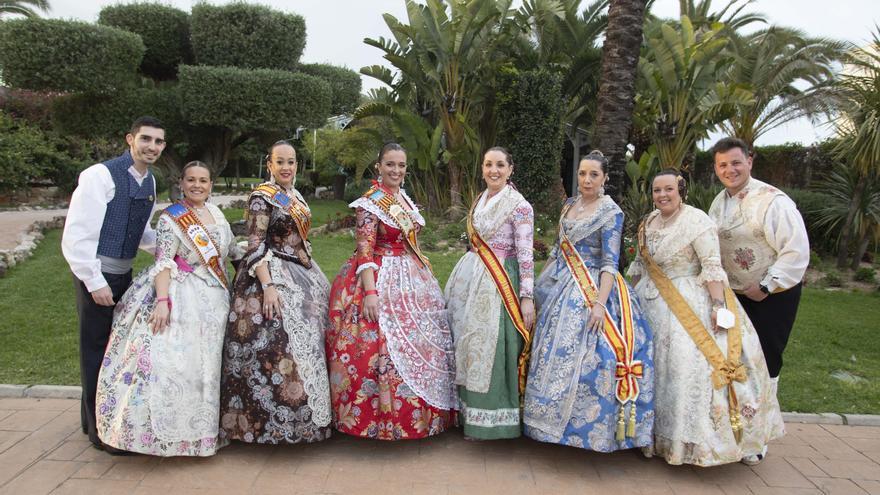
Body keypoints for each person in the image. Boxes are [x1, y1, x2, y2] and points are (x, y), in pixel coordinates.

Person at [628, 170, 784, 467]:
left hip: (692, 302)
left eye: (668, 189)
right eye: (657, 190)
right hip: (652, 305)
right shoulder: (648, 222)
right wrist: (626, 296)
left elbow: (712, 265)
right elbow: (639, 265)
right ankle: (658, 441)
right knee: (658, 368)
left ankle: (714, 443)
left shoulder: (697, 220)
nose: (662, 195)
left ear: (681, 190)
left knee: (688, 365)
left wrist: (717, 306)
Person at [96, 161, 238, 456]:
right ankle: (174, 435)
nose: (197, 185)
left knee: (208, 368)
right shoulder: (171, 218)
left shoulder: (217, 214)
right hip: (183, 294)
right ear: (181, 183)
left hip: (215, 299)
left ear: (211, 184)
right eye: (191, 180)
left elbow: (230, 250)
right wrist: (162, 302)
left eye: (203, 180)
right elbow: (163, 261)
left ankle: (205, 433)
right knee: (178, 365)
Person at [523, 151, 654, 452]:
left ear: (605, 178)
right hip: (561, 284)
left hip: (593, 286)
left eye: (594, 174)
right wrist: (539, 286)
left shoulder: (611, 212)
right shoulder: (569, 204)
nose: (586, 180)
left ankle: (580, 430)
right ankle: (544, 426)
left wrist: (598, 304)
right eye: (582, 174)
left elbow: (610, 263)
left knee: (590, 355)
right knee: (548, 351)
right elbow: (558, 251)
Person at [326, 143, 457, 440]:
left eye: (401, 165)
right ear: (379, 166)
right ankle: (380, 420)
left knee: (422, 341)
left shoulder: (403, 199)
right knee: (379, 343)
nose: (396, 171)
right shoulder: (370, 203)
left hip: (411, 276)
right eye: (390, 165)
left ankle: (425, 417)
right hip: (379, 276)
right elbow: (364, 250)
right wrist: (370, 293)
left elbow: (411, 240)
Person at [62, 116, 166, 452]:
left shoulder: (149, 182)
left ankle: (93, 419)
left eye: (158, 142)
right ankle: (99, 434)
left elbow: (142, 231)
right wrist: (94, 282)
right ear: (130, 139)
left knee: (114, 351)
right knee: (94, 349)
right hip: (97, 274)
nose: (152, 147)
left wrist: (171, 250)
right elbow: (77, 235)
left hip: (124, 274)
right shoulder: (100, 176)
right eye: (146, 139)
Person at [219, 141, 332, 444]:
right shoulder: (261, 197)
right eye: (279, 162)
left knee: (313, 341)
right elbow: (255, 244)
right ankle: (269, 425)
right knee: (278, 345)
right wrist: (268, 287)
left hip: (301, 272)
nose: (286, 167)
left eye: (291, 162)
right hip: (267, 275)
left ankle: (311, 421)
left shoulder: (295, 195)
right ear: (269, 164)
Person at [445, 147, 535, 440]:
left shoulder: (519, 206)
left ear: (511, 169)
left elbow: (525, 255)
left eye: (499, 165)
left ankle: (496, 420)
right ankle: (469, 414)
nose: (493, 170)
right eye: (488, 164)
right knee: (468, 342)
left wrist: (526, 297)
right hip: (472, 276)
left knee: (491, 345)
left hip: (499, 282)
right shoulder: (482, 198)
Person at [708, 137, 809, 383]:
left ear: (749, 161)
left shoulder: (773, 201)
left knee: (764, 361)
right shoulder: (718, 203)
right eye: (722, 165)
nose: (729, 170)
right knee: (733, 360)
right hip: (734, 296)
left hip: (771, 297)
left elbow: (796, 250)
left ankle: (766, 418)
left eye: (736, 163)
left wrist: (767, 286)